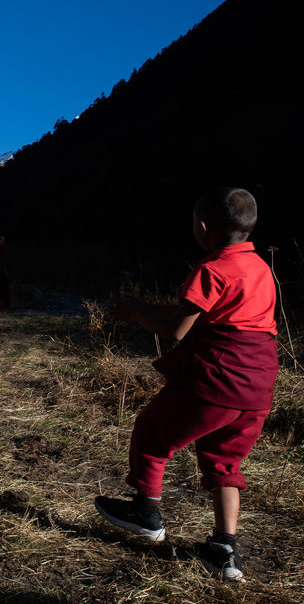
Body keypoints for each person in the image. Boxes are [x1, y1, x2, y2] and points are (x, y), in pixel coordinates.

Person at [95, 188, 278, 582]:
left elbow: (178, 329)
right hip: (259, 385)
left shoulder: (212, 269)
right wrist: (145, 310)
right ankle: (224, 550)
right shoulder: (260, 267)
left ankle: (146, 513)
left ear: (205, 228)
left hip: (217, 381)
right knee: (224, 460)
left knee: (152, 432)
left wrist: (136, 312)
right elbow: (204, 316)